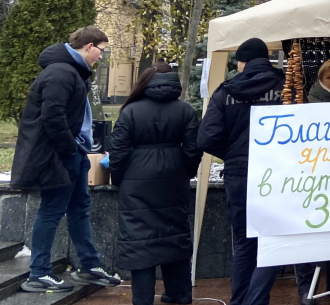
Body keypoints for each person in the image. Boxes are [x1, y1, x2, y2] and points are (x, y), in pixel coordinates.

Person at [11, 26, 122, 292]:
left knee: (79, 209)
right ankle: (38, 273)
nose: (101, 57)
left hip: (73, 153)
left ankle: (89, 265)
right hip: (62, 155)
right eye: (102, 51)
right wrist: (70, 150)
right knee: (52, 210)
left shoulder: (71, 72)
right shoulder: (61, 72)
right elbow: (52, 116)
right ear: (89, 46)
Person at [198, 38, 286, 305]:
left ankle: (239, 301)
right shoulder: (286, 87)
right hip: (279, 173)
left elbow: (206, 138)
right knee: (273, 239)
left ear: (242, 62)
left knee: (244, 242)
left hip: (239, 174)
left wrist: (234, 156)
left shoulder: (226, 91)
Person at [107, 61, 201, 305]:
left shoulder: (130, 111)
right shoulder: (185, 110)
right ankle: (179, 294)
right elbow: (193, 149)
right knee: (175, 234)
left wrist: (119, 179)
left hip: (136, 181)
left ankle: (143, 299)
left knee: (139, 241)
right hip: (174, 179)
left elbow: (118, 151)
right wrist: (185, 172)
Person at [292, 59, 330, 304]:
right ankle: (307, 290)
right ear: (321, 80)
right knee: (308, 235)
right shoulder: (308, 103)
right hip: (312, 179)